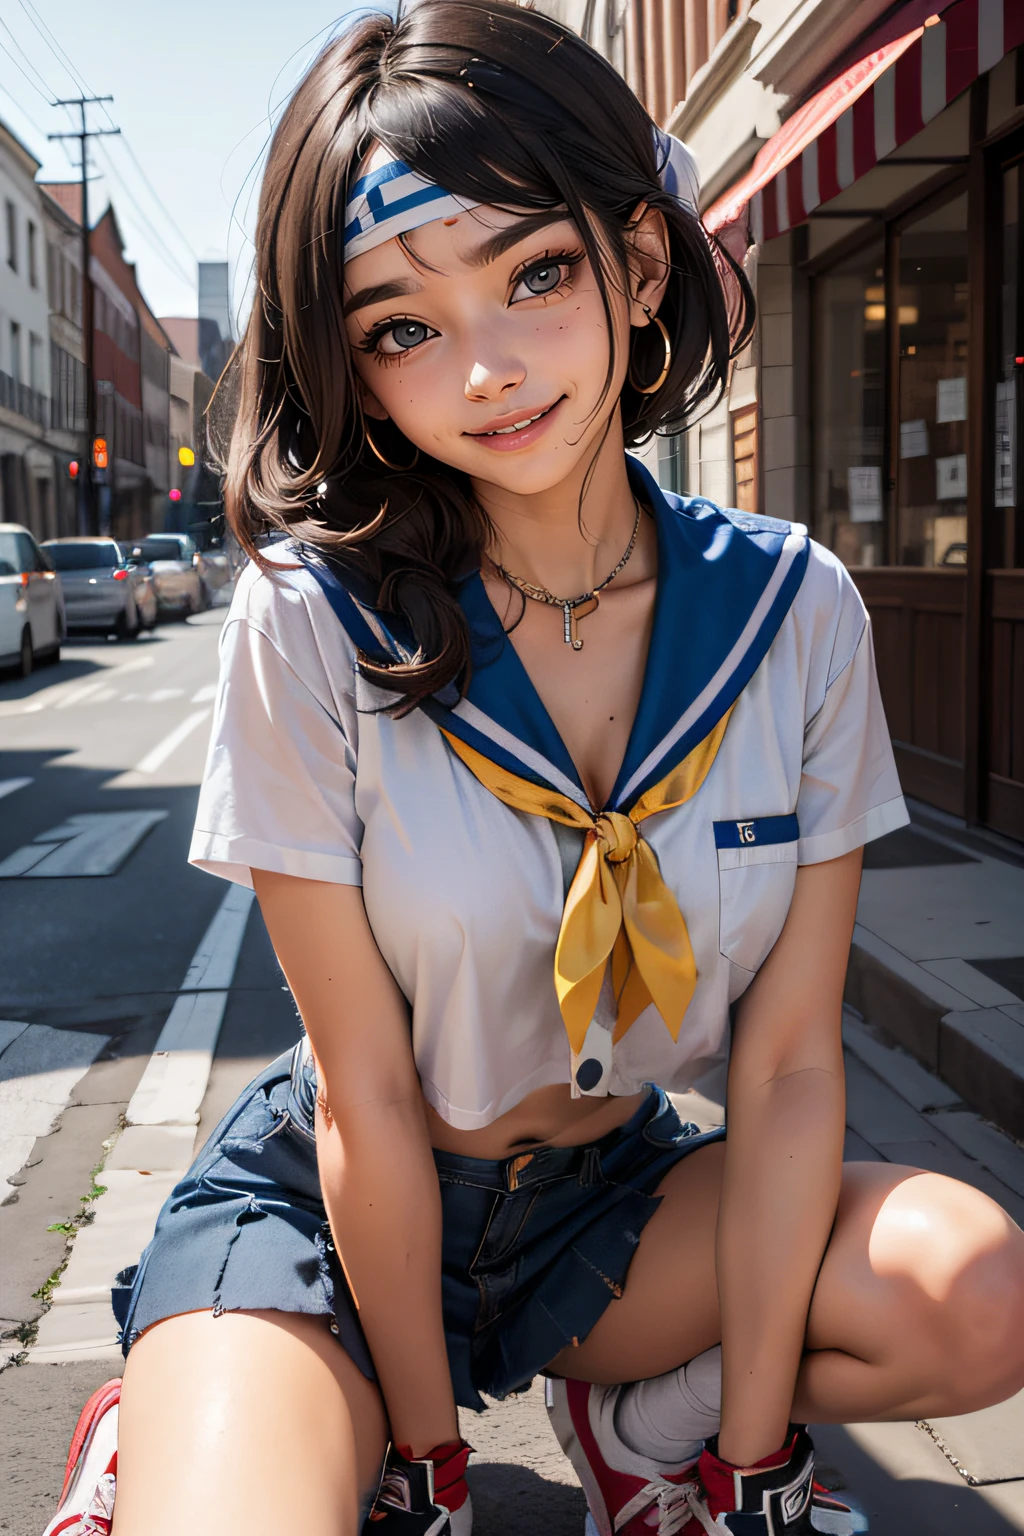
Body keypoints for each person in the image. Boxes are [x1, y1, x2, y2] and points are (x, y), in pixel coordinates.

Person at [44, 6, 1024, 1536]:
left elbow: (781, 1072)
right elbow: (363, 1089)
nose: (489, 369)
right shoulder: (313, 626)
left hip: (608, 1209)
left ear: (638, 265)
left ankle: (648, 1428)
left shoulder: (793, 614)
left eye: (537, 273)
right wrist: (431, 1477)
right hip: (335, 1209)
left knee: (973, 1292)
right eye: (403, 327)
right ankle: (206, 1422)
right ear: (356, 374)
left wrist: (743, 1456)